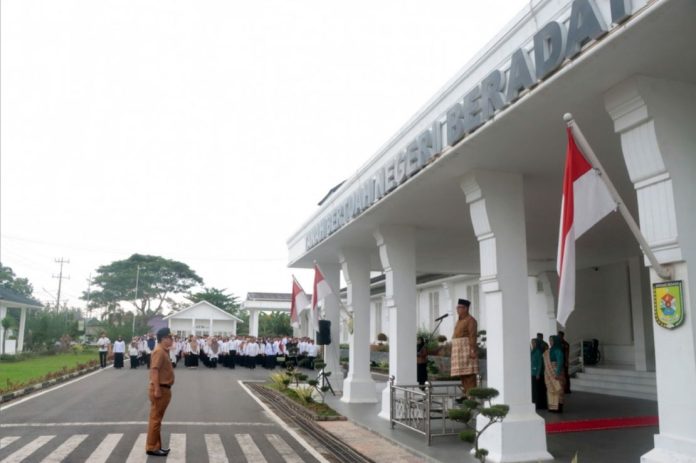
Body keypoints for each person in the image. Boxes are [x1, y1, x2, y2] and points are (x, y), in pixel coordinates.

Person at [146, 327, 175, 457]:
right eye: (170, 338)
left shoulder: (163, 351)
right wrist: (157, 389)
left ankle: (156, 446)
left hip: (164, 388)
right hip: (161, 389)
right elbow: (154, 370)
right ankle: (152, 447)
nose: (172, 340)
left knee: (157, 419)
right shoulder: (159, 351)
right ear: (163, 339)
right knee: (155, 420)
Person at [450, 298, 479, 399]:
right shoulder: (459, 320)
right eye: (457, 307)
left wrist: (472, 350)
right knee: (462, 374)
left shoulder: (471, 320)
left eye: (459, 307)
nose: (457, 309)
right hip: (459, 351)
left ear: (465, 308)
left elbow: (473, 336)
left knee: (469, 374)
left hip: (466, 350)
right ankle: (466, 395)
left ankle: (472, 398)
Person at [544, 335, 566, 413]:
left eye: (552, 340)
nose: (550, 342)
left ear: (555, 341)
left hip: (557, 372)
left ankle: (558, 408)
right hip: (549, 373)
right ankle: (552, 407)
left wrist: (557, 373)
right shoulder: (549, 351)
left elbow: (560, 362)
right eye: (549, 340)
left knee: (558, 389)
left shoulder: (558, 350)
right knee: (551, 390)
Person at [530, 338, 547, 410]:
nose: (533, 344)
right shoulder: (532, 351)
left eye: (534, 343)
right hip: (532, 373)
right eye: (532, 343)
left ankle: (538, 405)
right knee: (533, 390)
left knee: (538, 391)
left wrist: (538, 373)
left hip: (537, 374)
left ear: (536, 343)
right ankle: (534, 403)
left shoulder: (538, 352)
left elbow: (540, 363)